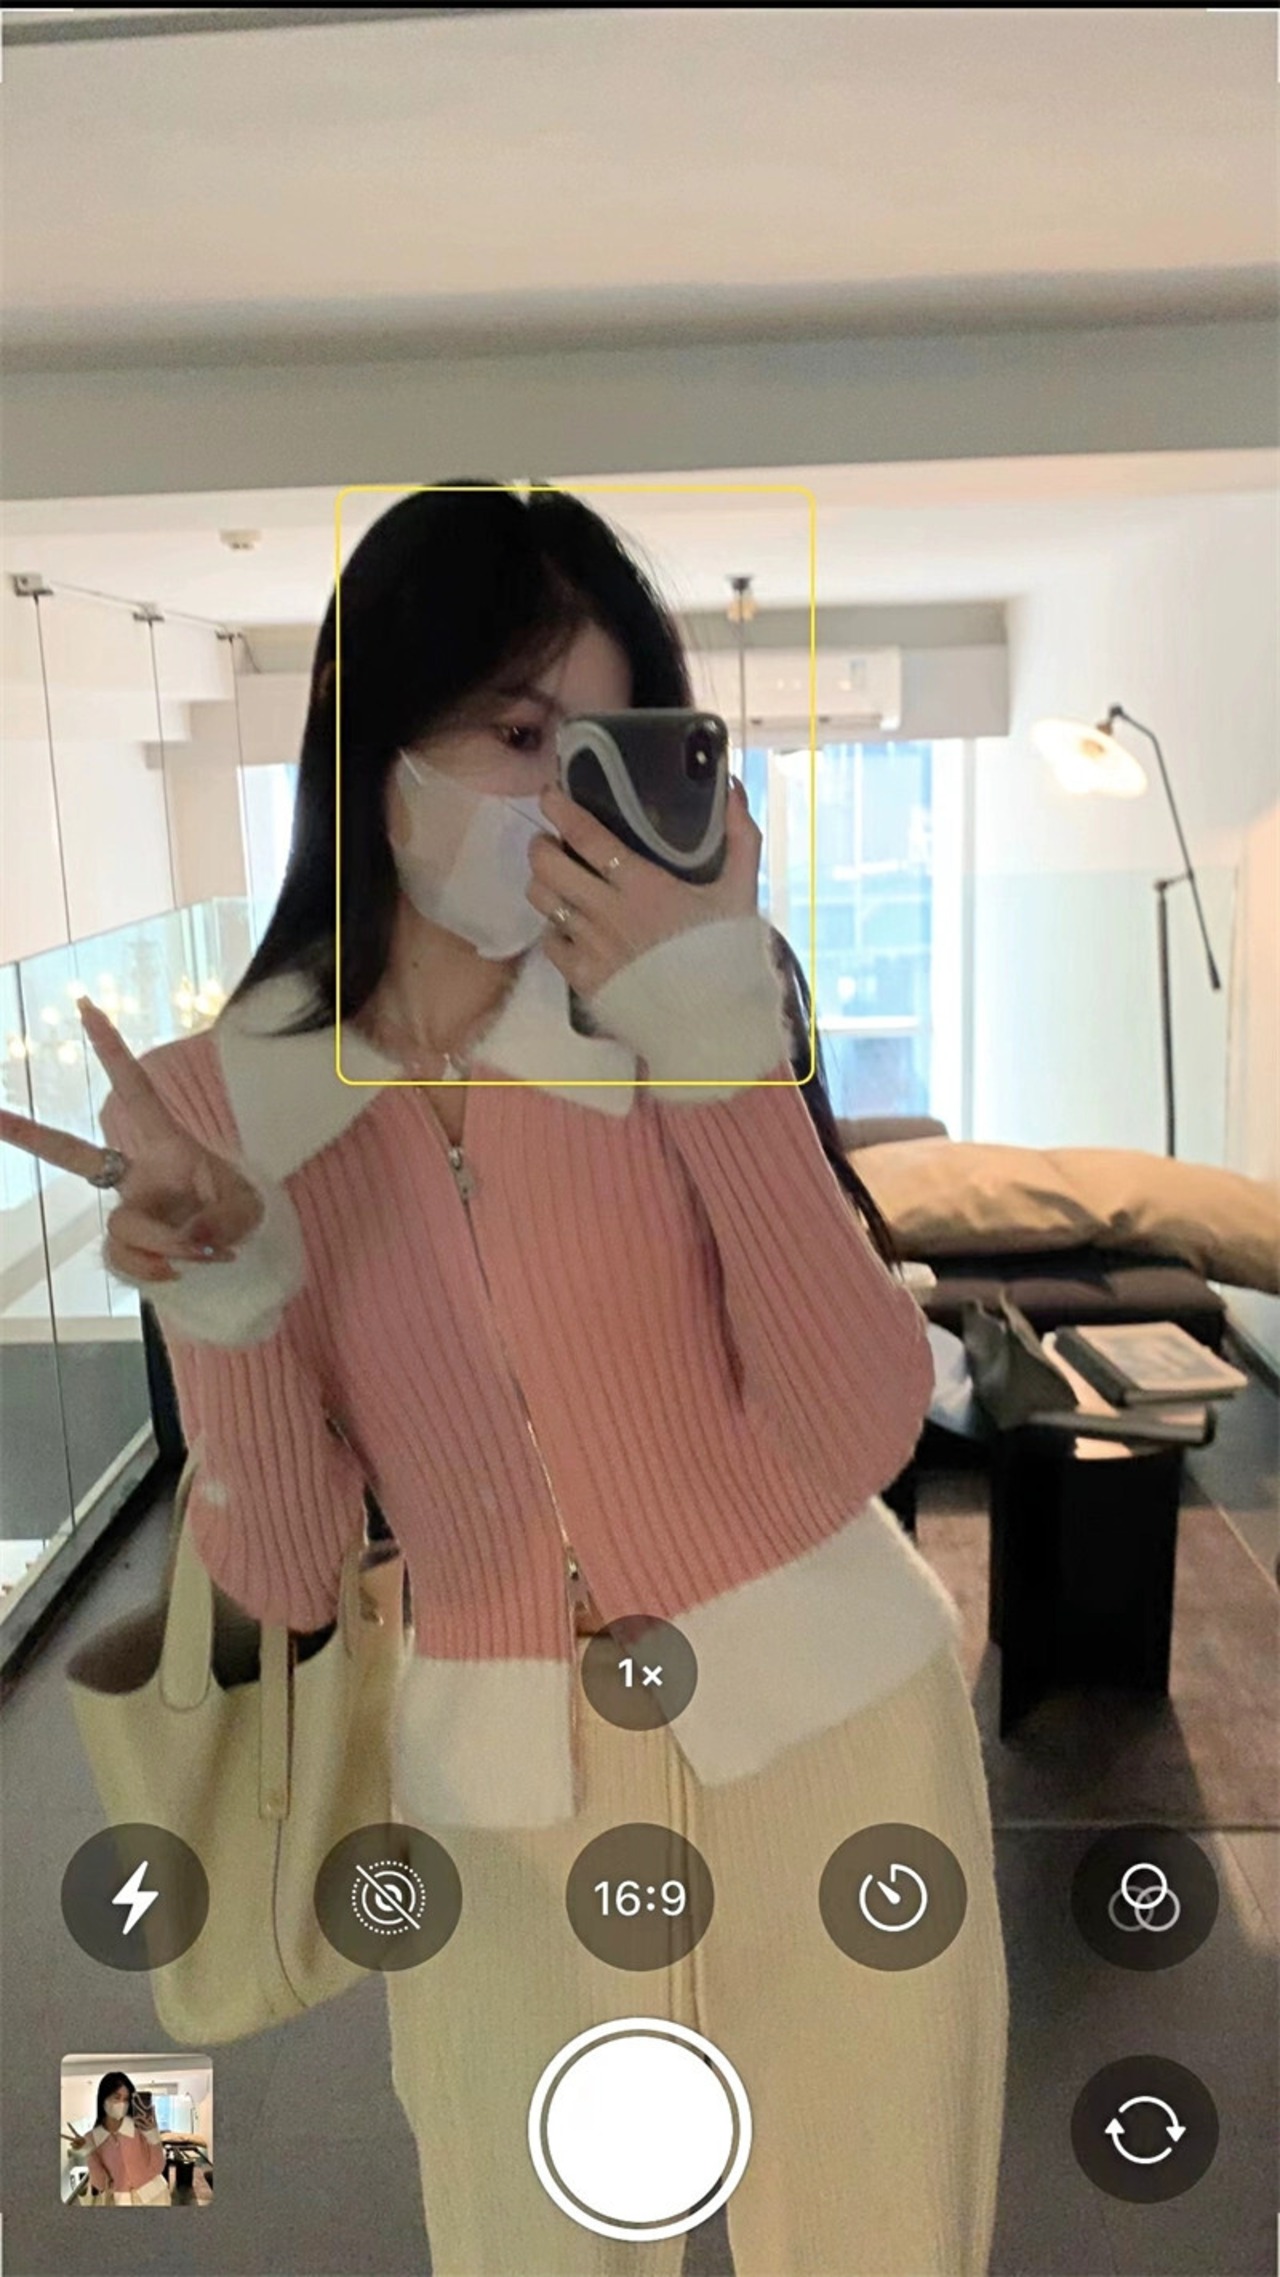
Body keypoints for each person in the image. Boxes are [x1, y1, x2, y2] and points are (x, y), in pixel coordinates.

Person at [3, 483, 1008, 2275]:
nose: (559, 797)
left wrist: (714, 1043)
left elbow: (861, 1419)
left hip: (841, 1731)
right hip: (495, 1793)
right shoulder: (220, 1102)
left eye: (602, 748)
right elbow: (286, 1575)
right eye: (520, 734)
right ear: (375, 741)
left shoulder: (680, 998)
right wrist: (229, 1301)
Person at [63, 2072, 171, 2205]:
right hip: (121, 2202)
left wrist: (153, 2134)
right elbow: (101, 2183)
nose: (122, 2104)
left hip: (155, 2198)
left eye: (126, 2099)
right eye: (117, 2097)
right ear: (104, 2099)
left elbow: (158, 2166)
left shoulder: (140, 2127)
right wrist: (88, 2152)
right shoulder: (92, 2138)